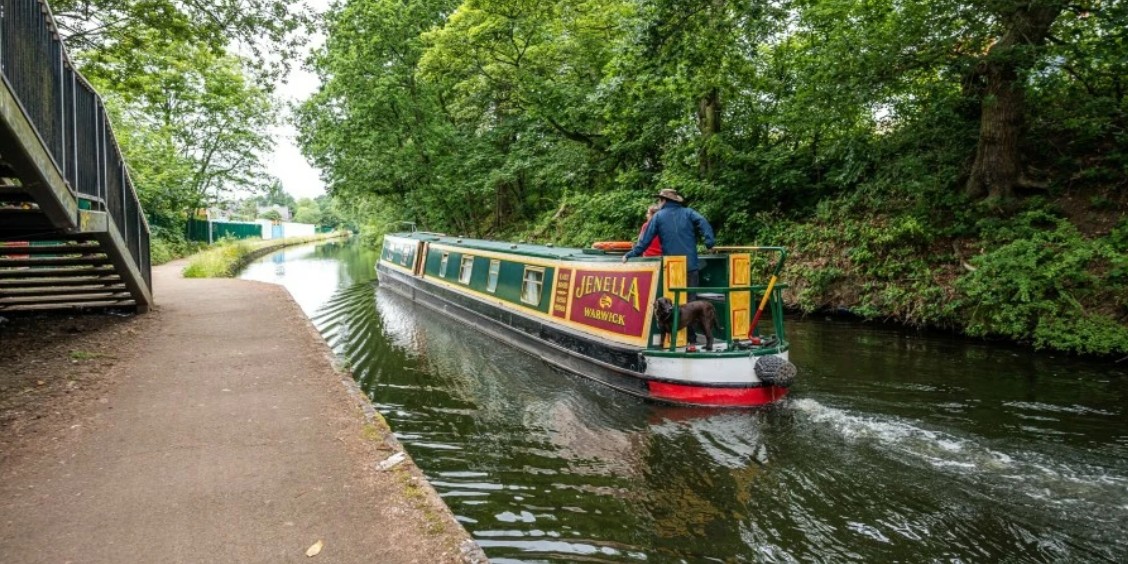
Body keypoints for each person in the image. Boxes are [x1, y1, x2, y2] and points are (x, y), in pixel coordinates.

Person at [623, 188, 715, 342]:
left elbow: (644, 242)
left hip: (672, 268)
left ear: (664, 201)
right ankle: (691, 340)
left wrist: (630, 254)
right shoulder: (689, 212)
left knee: (671, 302)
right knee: (691, 302)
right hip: (691, 265)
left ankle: (676, 340)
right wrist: (709, 241)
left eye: (660, 200)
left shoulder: (658, 217)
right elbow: (703, 222)